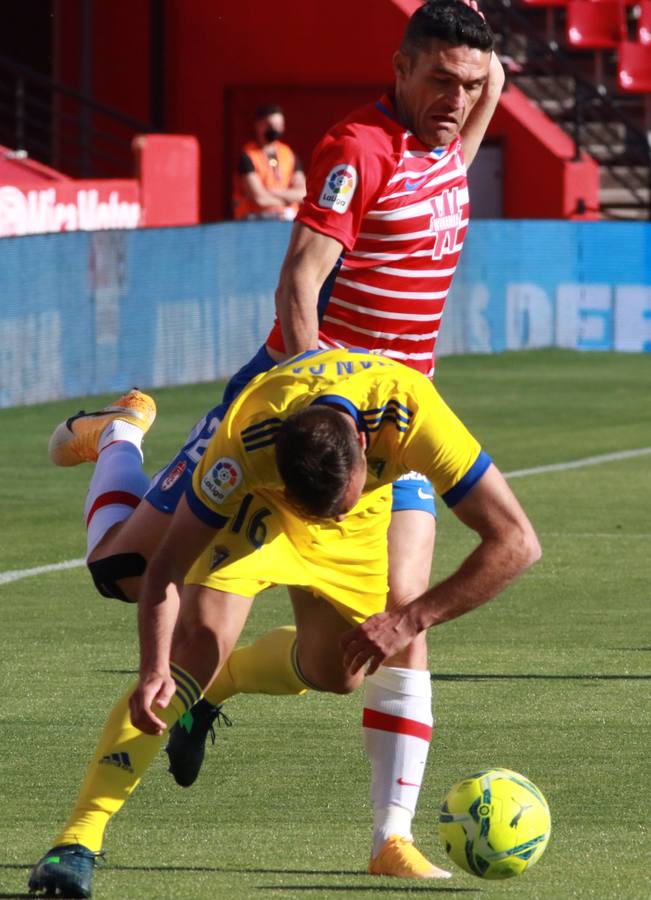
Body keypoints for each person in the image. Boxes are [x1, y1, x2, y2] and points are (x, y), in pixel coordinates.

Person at [166, 0, 506, 875]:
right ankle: (114, 444)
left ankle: (386, 838)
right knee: (154, 598)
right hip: (319, 420)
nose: (458, 99)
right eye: (438, 80)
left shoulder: (456, 134)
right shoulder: (361, 151)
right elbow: (300, 280)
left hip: (403, 419)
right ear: (398, 69)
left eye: (469, 84)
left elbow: (487, 67)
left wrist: (471, 38)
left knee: (360, 650)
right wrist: (322, 399)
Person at [29, 348, 541, 898]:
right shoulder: (244, 442)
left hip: (361, 520)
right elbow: (168, 568)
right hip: (261, 501)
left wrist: (410, 618)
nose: (329, 513)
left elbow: (517, 542)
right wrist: (155, 666)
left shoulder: (414, 413)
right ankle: (76, 841)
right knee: (187, 643)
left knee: (340, 670)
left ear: (364, 448)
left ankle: (217, 686)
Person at [232, 103, 307, 221]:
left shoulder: (288, 153)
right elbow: (260, 198)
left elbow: (302, 194)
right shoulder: (249, 155)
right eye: (270, 124)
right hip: (255, 222)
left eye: (279, 124)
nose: (275, 128)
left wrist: (272, 193)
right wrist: (288, 199)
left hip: (287, 219)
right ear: (258, 125)